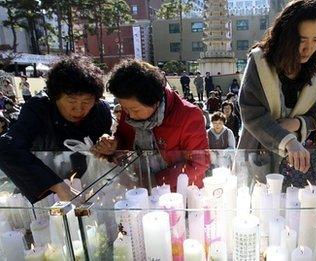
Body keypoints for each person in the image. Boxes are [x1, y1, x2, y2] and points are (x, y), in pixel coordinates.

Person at [238, 0, 316, 174]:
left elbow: (314, 116)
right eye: (302, 40)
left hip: (292, 163)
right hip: (255, 153)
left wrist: (296, 123)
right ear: (286, 35)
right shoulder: (261, 62)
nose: (308, 48)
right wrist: (288, 141)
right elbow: (251, 113)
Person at [0, 56, 112, 203]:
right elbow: (7, 147)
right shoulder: (38, 109)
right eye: (71, 101)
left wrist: (106, 142)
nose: (79, 109)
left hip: (88, 184)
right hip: (46, 186)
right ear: (55, 97)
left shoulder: (100, 110)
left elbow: (105, 138)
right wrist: (56, 185)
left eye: (86, 102)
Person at [94, 60, 209, 189]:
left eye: (135, 110)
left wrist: (154, 181)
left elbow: (198, 164)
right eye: (125, 109)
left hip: (181, 193)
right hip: (139, 190)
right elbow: (123, 142)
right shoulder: (129, 111)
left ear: (155, 101)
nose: (130, 116)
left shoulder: (188, 115)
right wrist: (112, 146)